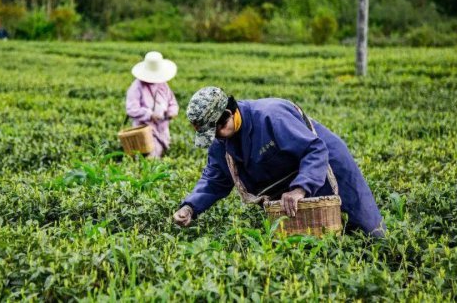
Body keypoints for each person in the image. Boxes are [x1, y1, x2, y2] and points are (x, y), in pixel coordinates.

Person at [173, 86, 386, 237]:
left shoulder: (271, 116)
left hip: (327, 166)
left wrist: (300, 189)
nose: (217, 136)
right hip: (286, 183)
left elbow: (314, 149)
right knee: (308, 240)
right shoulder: (221, 141)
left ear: (229, 113)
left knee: (366, 231)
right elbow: (214, 179)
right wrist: (190, 207)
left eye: (218, 128)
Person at [125, 51, 179, 158]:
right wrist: (150, 114)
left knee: (160, 156)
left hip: (162, 130)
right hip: (144, 132)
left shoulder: (163, 84)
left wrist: (171, 112)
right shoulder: (137, 86)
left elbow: (172, 102)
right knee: (150, 159)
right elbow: (131, 109)